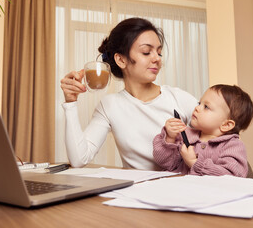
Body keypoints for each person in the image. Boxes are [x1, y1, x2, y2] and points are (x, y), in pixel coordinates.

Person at [60, 17, 198, 170]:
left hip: (179, 188)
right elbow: (79, 159)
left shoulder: (179, 99)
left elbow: (219, 140)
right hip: (135, 192)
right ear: (120, 60)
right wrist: (70, 102)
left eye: (158, 53)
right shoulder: (110, 105)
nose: (157, 59)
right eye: (146, 52)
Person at [153, 84, 253, 177]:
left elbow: (231, 176)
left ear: (226, 125)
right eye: (199, 103)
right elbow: (166, 163)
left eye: (206, 107)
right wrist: (170, 138)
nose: (197, 108)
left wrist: (193, 163)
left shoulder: (233, 146)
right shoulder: (184, 135)